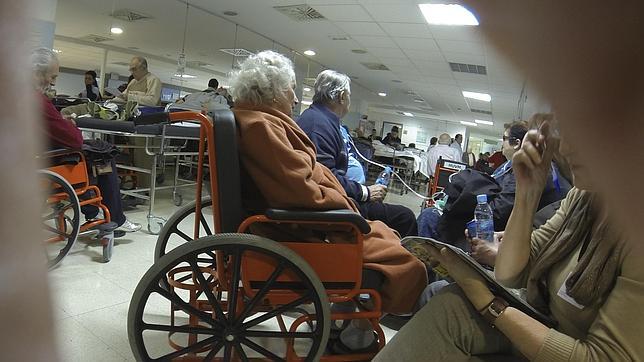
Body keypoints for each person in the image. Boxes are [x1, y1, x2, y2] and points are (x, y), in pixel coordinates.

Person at [375, 119, 644, 361]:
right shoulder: (584, 198)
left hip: (566, 345)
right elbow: (511, 273)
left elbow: (602, 356)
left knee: (453, 306)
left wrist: (488, 302)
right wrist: (528, 191)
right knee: (451, 304)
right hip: (546, 323)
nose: (567, 146)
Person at [229, 50, 427, 315]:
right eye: (292, 89)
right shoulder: (262, 128)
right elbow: (300, 193)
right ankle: (377, 318)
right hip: (298, 228)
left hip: (295, 220)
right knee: (406, 262)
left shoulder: (256, 120)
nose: (297, 98)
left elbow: (297, 181)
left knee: (389, 234)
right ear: (274, 92)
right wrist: (345, 203)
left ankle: (354, 319)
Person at [297, 70, 418, 237]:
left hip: (340, 197)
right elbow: (325, 178)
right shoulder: (319, 126)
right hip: (335, 207)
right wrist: (365, 192)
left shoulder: (321, 121)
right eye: (349, 96)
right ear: (341, 97)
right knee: (405, 217)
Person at [32, 48, 141, 233]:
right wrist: (70, 125)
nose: (53, 81)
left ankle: (93, 211)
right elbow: (74, 139)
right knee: (105, 154)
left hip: (32, 155)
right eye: (53, 76)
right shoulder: (36, 100)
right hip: (49, 160)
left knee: (94, 151)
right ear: (37, 73)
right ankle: (114, 217)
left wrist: (61, 123)